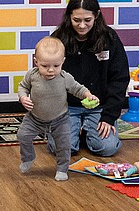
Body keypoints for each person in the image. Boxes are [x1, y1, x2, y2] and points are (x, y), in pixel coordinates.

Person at [49, 0, 130, 158]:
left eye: (87, 20)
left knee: (106, 148)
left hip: (99, 107)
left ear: (97, 15)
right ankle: (73, 130)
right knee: (63, 148)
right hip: (66, 108)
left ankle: (87, 131)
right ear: (68, 16)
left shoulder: (109, 38)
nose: (82, 26)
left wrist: (108, 117)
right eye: (76, 20)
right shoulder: (58, 39)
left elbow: (119, 80)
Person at [17, 37, 99, 181]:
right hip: (34, 118)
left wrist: (88, 95)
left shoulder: (64, 77)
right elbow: (23, 87)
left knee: (64, 145)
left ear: (63, 62)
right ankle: (28, 158)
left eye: (56, 65)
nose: (50, 70)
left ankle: (62, 168)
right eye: (45, 66)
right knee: (22, 135)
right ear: (36, 62)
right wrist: (23, 98)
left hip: (60, 120)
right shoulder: (32, 75)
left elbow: (77, 89)